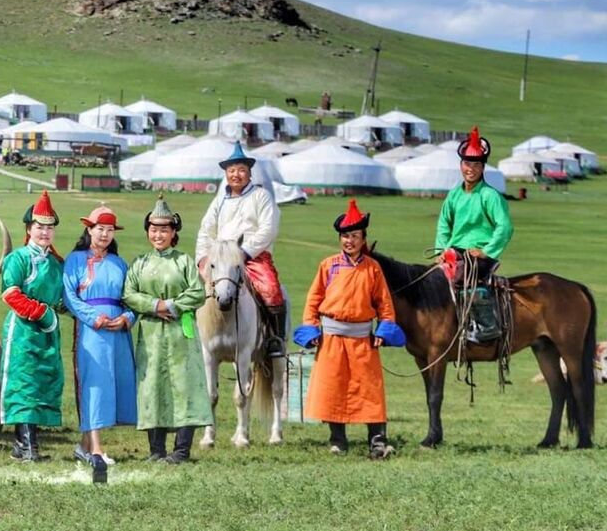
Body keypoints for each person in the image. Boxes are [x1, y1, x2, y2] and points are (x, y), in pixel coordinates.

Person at [294, 199, 405, 459]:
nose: (349, 241)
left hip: (362, 339)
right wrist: (311, 330)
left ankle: (377, 441)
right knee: (334, 388)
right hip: (331, 338)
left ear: (363, 238)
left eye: (354, 236)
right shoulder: (328, 266)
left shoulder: (373, 269)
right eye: (345, 236)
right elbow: (313, 300)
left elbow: (384, 304)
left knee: (369, 390)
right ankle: (338, 440)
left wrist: (383, 330)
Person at [122, 196, 211, 464]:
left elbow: (198, 292)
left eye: (164, 230)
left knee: (186, 388)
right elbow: (129, 294)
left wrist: (171, 306)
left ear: (174, 233)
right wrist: (153, 305)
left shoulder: (184, 262)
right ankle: (156, 450)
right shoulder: (139, 263)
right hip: (150, 335)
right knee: (152, 387)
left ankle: (181, 451)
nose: (158, 235)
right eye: (153, 229)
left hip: (180, 334)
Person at [195, 140, 287, 356]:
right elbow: (205, 230)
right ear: (226, 173)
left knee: (271, 290)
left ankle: (275, 338)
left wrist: (244, 252)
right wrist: (202, 258)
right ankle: (198, 338)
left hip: (252, 256)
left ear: (249, 173)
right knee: (196, 293)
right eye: (232, 170)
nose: (236, 174)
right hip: (220, 257)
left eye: (241, 170)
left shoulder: (261, 196)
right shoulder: (220, 201)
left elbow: (268, 229)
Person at [62, 205, 135, 467]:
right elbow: (69, 296)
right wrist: (94, 317)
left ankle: (83, 446)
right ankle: (96, 449)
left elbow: (130, 298)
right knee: (95, 384)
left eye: (109, 229)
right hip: (91, 330)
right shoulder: (75, 260)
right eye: (99, 228)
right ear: (89, 229)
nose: (104, 234)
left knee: (113, 383)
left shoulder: (120, 263)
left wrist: (128, 318)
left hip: (117, 331)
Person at [0, 191, 65, 462]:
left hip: (48, 335)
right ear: (29, 229)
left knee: (41, 385)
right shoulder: (18, 259)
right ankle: (28, 447)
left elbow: (62, 299)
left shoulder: (56, 264)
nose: (44, 232)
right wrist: (42, 314)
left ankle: (22, 445)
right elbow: (10, 294)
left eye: (49, 228)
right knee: (24, 384)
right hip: (24, 332)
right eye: (39, 227)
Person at [434, 126, 513, 342]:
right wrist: (442, 250)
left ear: (483, 167)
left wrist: (487, 251)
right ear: (461, 165)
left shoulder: (490, 196)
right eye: (467, 164)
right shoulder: (454, 195)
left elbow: (504, 227)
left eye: (476, 164)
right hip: (455, 253)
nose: (471, 169)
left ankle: (487, 326)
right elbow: (443, 224)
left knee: (462, 275)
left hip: (480, 255)